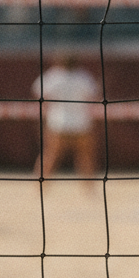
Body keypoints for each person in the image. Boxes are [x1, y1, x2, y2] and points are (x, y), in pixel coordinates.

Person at [32, 55, 100, 185]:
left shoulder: (53, 76)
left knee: (50, 156)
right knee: (85, 157)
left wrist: (49, 106)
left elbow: (37, 92)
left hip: (58, 123)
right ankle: (90, 190)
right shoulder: (83, 76)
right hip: (81, 123)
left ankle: (40, 186)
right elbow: (94, 96)